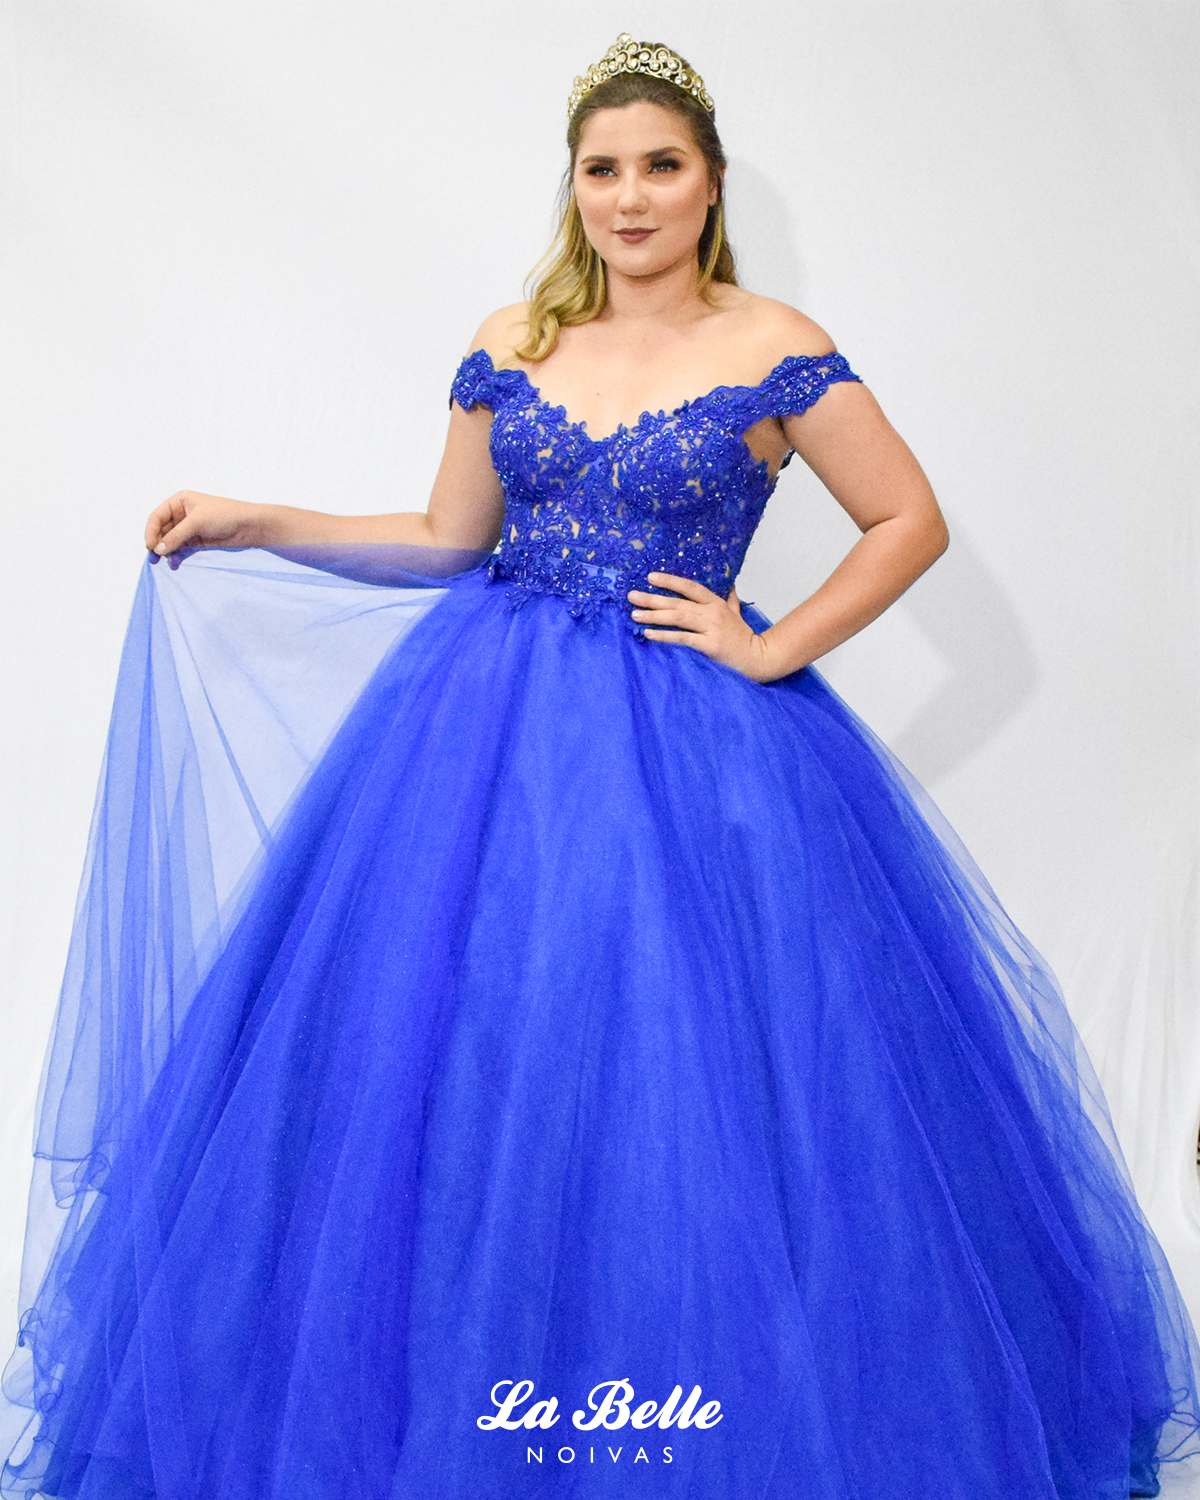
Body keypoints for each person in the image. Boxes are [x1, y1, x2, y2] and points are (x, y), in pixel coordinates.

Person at [3, 32, 1197, 1500]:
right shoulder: (513, 340)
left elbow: (910, 520)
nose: (630, 198)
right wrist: (258, 520)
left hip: (695, 760)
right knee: (466, 1049)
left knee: (700, 1074)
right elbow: (447, 541)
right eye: (602, 170)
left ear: (710, 184)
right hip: (482, 745)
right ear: (573, 186)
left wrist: (771, 642)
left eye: (661, 167)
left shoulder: (772, 344)